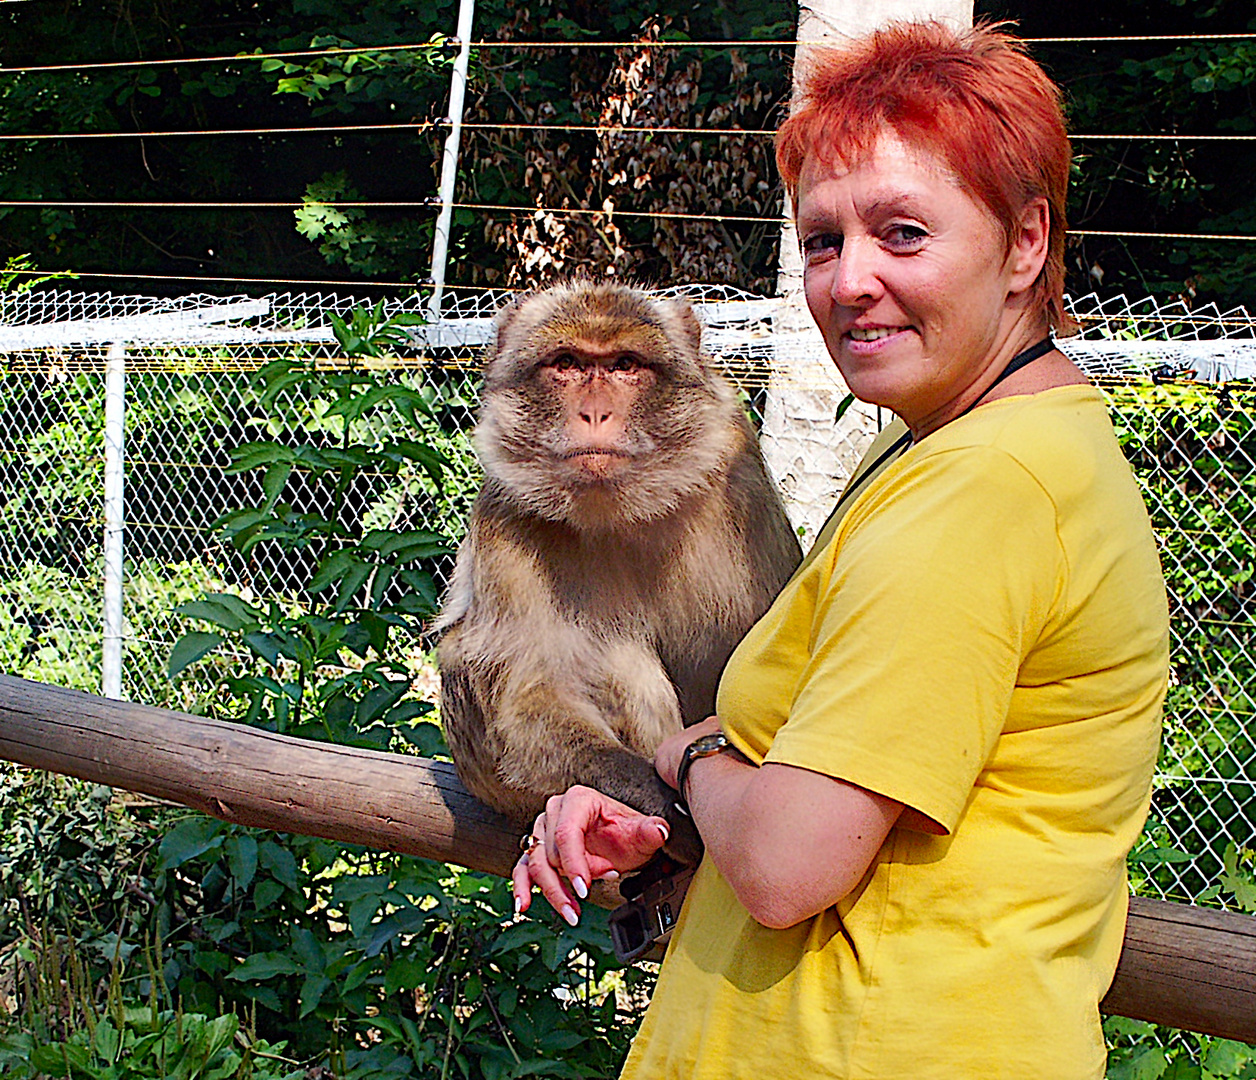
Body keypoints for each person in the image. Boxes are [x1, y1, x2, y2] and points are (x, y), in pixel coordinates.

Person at [512, 20, 1170, 1080]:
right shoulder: (942, 449)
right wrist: (680, 820)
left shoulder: (984, 489)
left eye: (901, 232)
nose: (848, 279)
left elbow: (782, 862)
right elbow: (836, 746)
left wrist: (679, 754)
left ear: (1024, 243)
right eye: (821, 240)